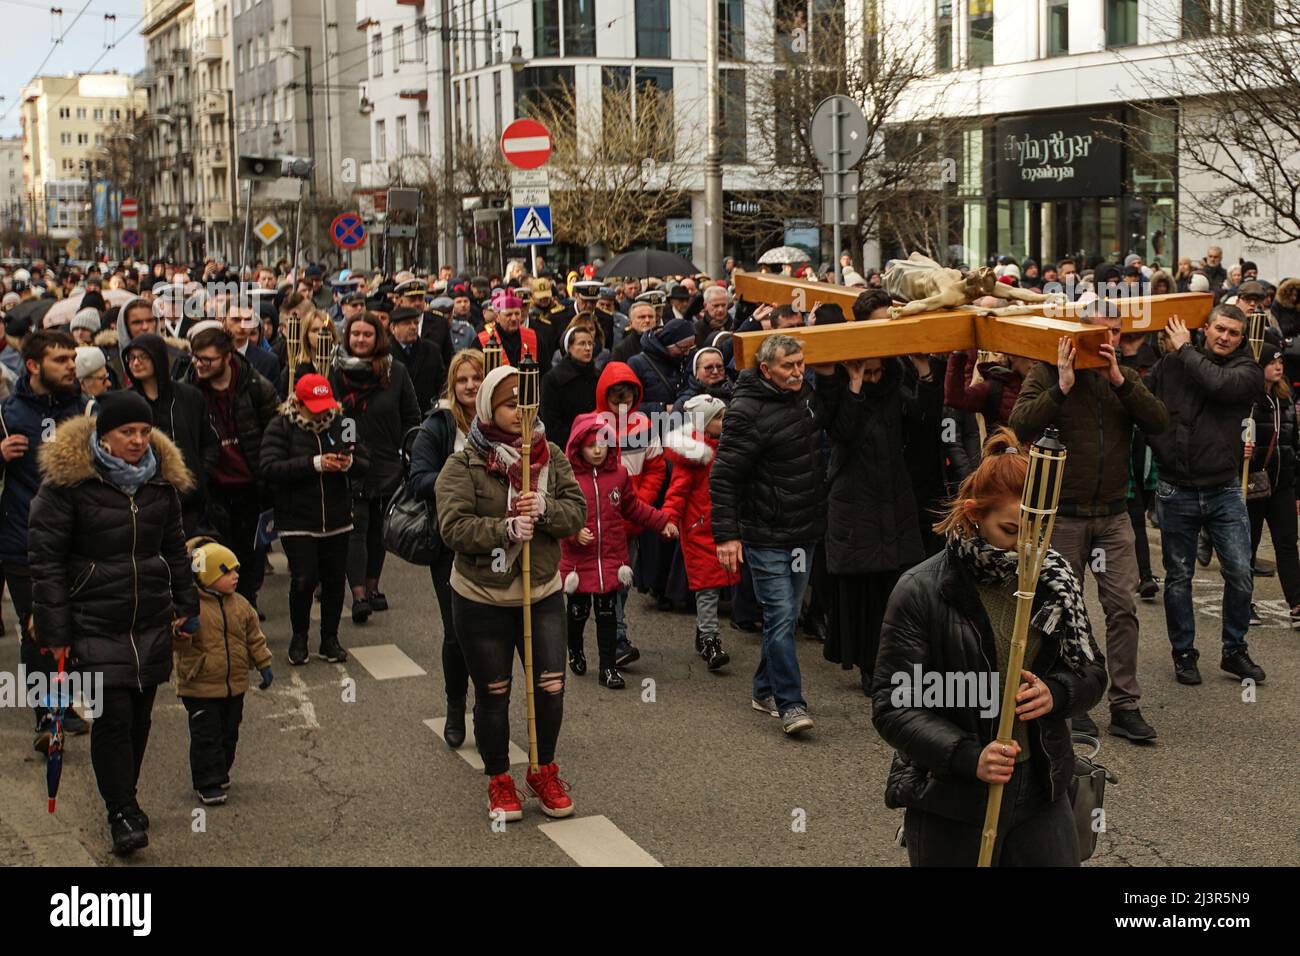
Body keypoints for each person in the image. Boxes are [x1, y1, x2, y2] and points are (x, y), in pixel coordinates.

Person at [871, 428, 1107, 867]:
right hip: (951, 796)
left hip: (1041, 789)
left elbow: (1092, 673)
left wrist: (1057, 693)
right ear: (973, 513)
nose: (1028, 545)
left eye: (1038, 529)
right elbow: (893, 705)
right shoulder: (922, 590)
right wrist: (967, 755)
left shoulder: (1053, 582)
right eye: (1011, 529)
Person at [29, 391, 199, 856]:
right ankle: (120, 811)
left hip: (148, 617)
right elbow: (46, 564)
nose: (138, 441)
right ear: (103, 435)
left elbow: (175, 547)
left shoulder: (160, 483)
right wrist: (55, 633)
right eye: (127, 432)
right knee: (114, 716)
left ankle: (126, 795)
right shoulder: (68, 486)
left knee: (141, 717)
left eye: (144, 432)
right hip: (93, 618)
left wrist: (186, 602)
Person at [435, 365, 587, 822]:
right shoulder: (463, 463)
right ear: (487, 408)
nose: (523, 413)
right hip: (482, 596)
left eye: (527, 403)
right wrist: (502, 530)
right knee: (494, 691)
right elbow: (452, 528)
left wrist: (546, 509)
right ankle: (499, 778)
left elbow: (576, 513)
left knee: (551, 685)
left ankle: (543, 769)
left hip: (541, 590)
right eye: (509, 405)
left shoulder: (552, 455)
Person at [1010, 307, 1168, 743]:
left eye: (1116, 332)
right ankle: (1073, 698)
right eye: (1100, 331)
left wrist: (1122, 382)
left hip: (1115, 513)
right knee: (1064, 609)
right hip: (1064, 513)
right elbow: (1020, 425)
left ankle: (1125, 704)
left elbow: (1159, 422)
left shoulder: (1124, 376)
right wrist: (1061, 389)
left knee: (1122, 607)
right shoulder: (1048, 370)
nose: (1109, 340)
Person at [710, 334, 842, 735]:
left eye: (801, 363)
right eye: (789, 366)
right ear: (766, 369)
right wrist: (727, 536)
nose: (798, 371)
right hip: (766, 534)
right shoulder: (744, 411)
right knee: (782, 617)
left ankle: (763, 688)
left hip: (804, 531)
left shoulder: (805, 396)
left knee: (781, 619)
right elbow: (725, 476)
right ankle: (791, 703)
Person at [1148, 307, 1267, 685]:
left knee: (1240, 573)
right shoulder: (1172, 363)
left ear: (1242, 337)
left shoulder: (1248, 371)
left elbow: (1216, 383)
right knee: (1178, 576)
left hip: (1224, 489)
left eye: (1234, 332)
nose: (1225, 337)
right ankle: (1184, 653)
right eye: (1220, 328)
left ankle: (1234, 650)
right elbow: (1142, 403)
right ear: (1206, 327)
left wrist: (1185, 349)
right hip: (1175, 487)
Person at [1, 331, 93, 742]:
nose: (71, 366)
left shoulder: (87, 409)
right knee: (37, 626)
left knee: (76, 624)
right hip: (23, 541)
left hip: (79, 540)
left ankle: (70, 698)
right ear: (34, 366)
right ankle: (47, 714)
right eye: (60, 359)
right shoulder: (7, 414)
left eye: (72, 358)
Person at [821, 356, 930, 694]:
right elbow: (842, 433)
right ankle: (870, 665)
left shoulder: (896, 391)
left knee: (897, 588)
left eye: (875, 372)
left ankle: (899, 663)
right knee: (865, 594)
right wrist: (853, 387)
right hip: (857, 502)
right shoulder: (842, 392)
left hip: (894, 500)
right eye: (865, 372)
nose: (871, 378)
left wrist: (925, 373)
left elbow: (923, 418)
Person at [560, 412, 676, 687]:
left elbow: (633, 507)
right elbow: (558, 515)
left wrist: (662, 522)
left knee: (607, 614)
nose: (598, 450)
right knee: (577, 613)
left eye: (603, 444)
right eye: (591, 446)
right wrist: (574, 533)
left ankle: (608, 667)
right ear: (579, 448)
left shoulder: (619, 474)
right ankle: (574, 648)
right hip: (580, 561)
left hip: (611, 558)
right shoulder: (567, 478)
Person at [260, 374, 365, 664]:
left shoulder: (343, 423)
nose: (321, 411)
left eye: (325, 405)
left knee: (334, 581)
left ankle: (329, 639)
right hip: (297, 520)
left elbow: (366, 462)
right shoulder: (281, 426)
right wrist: (314, 464)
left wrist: (349, 464)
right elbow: (269, 467)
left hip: (337, 518)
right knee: (304, 579)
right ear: (298, 402)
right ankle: (300, 637)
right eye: (314, 406)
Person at [410, 350, 484, 749]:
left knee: (491, 632)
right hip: (450, 544)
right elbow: (418, 478)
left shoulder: (503, 421)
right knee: (457, 632)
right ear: (453, 387)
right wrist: (463, 477)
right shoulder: (438, 426)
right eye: (463, 380)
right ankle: (456, 705)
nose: (470, 386)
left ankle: (486, 708)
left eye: (477, 378)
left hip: (496, 540)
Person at [331, 312, 421, 622]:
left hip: (386, 460)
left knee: (377, 532)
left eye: (367, 334)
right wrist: (349, 443)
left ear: (377, 338)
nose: (360, 339)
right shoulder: (336, 372)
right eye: (355, 334)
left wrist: (408, 451)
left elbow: (411, 415)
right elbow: (334, 415)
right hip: (350, 458)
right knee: (356, 526)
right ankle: (358, 595)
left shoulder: (395, 372)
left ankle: (372, 587)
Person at [185, 327, 279, 612]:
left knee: (251, 553)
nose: (199, 365)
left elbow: (272, 431)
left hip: (250, 482)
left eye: (207, 360)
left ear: (227, 358)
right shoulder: (189, 389)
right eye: (195, 358)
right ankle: (224, 608)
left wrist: (268, 473)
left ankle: (247, 604)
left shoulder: (255, 385)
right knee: (217, 550)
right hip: (212, 485)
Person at [176, 538, 274, 805]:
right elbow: (174, 642)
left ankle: (221, 769)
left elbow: (254, 637)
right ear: (208, 576)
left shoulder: (241, 605)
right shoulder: (190, 606)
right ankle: (207, 781)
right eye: (227, 571)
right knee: (206, 734)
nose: (235, 576)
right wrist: (183, 631)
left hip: (234, 683)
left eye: (235, 570)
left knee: (229, 731)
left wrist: (263, 663)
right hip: (201, 684)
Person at [594, 361, 667, 664]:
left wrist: (642, 503)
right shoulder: (594, 426)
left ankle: (612, 633)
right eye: (615, 399)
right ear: (604, 398)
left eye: (626, 399)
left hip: (634, 520)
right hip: (604, 520)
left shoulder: (646, 426)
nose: (621, 406)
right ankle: (616, 638)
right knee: (609, 582)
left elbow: (656, 467)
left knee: (623, 583)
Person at [663, 395, 738, 669]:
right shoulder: (694, 456)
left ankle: (704, 631)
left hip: (722, 527)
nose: (724, 420)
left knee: (716, 586)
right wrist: (669, 519)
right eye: (718, 417)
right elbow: (677, 492)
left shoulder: (725, 448)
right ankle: (710, 639)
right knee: (707, 587)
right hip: (699, 530)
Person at [124, 333, 219, 536]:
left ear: (158, 358)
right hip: (146, 502)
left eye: (143, 356)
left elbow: (209, 441)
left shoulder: (189, 396)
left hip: (192, 502)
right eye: (131, 358)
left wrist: (201, 475)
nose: (136, 362)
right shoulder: (127, 402)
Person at [1247, 343, 1300, 627]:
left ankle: (1297, 602)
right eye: (1271, 362)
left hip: (1282, 485)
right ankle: (1243, 603)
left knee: (1288, 543)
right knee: (1248, 546)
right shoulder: (1249, 400)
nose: (1278, 366)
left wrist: (1297, 489)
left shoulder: (1286, 399)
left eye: (1280, 362)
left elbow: (1295, 445)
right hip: (1254, 484)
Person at [539, 323, 599, 452]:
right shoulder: (553, 379)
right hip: (567, 447)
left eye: (590, 343)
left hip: (597, 445)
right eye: (582, 344)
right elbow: (551, 423)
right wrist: (577, 441)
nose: (588, 348)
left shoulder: (598, 376)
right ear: (569, 348)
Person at [388, 306, 446, 415]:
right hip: (395, 417)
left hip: (427, 416)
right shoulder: (383, 353)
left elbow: (442, 384)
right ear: (393, 328)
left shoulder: (431, 350)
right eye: (407, 323)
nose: (413, 327)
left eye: (415, 323)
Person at [628, 319, 694, 412]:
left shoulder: (684, 359)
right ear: (668, 343)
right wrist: (664, 408)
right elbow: (627, 405)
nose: (687, 353)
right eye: (683, 348)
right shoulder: (637, 363)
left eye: (690, 347)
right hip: (652, 423)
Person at [277, 308, 337, 399]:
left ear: (332, 335)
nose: (321, 333)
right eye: (315, 330)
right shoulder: (295, 368)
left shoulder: (339, 366)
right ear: (306, 336)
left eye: (326, 329)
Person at [477, 290, 537, 368]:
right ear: (497, 317)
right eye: (508, 314)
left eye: (517, 313)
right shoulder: (482, 340)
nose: (514, 318)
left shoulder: (533, 337)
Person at [672, 345, 733, 412]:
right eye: (709, 367)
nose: (715, 371)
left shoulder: (734, 391)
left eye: (719, 366)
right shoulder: (685, 403)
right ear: (696, 372)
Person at [612, 299, 657, 364]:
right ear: (630, 322)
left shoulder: (664, 342)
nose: (647, 320)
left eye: (651, 317)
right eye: (642, 317)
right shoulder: (621, 349)